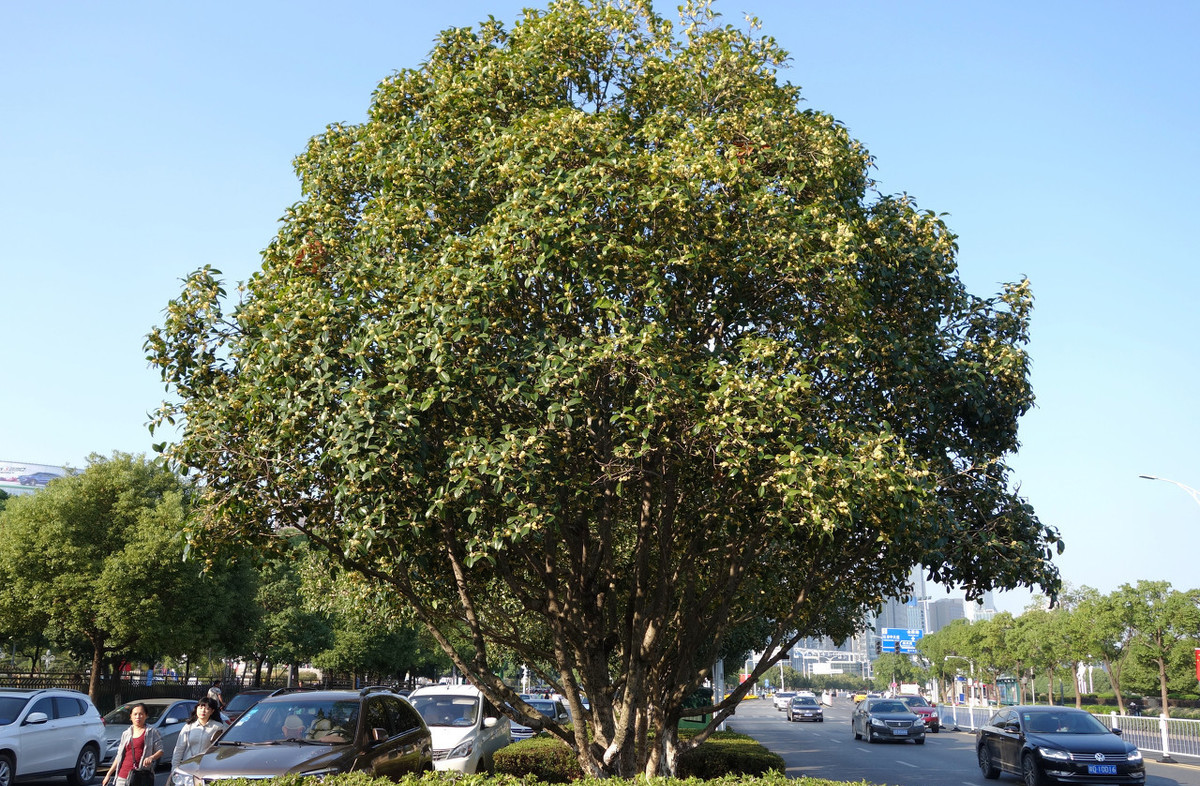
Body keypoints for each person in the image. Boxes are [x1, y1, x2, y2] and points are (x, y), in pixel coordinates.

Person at [102, 703, 163, 786]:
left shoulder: (152, 732)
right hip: (122, 776)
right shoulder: (126, 733)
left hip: (140, 776)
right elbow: (119, 756)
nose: (138, 717)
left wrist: (151, 757)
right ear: (131, 717)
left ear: (146, 716)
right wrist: (108, 774)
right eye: (135, 714)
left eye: (141, 714)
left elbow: (160, 751)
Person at [171, 697, 226, 770]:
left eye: (207, 708)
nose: (203, 711)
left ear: (212, 711)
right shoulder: (189, 726)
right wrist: (174, 768)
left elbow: (223, 749)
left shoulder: (218, 727)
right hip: (188, 766)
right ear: (196, 709)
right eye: (200, 707)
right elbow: (179, 748)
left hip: (208, 767)